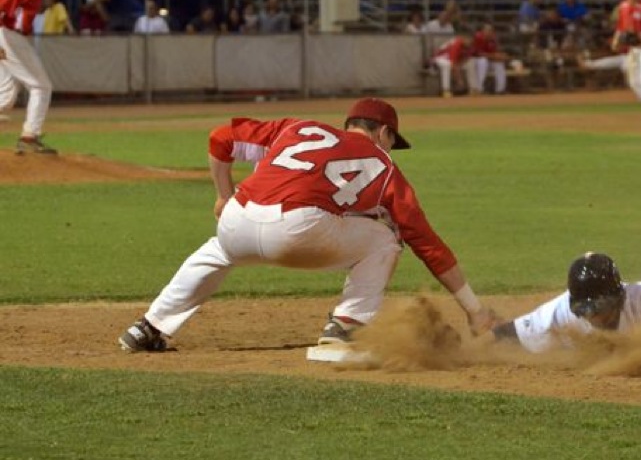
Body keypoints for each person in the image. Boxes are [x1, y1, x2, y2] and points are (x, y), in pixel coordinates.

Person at [118, 97, 498, 352]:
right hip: (298, 230)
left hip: (238, 219)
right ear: (383, 133)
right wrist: (473, 309)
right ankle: (346, 325)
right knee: (387, 237)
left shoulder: (296, 128)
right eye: (391, 141)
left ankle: (149, 327)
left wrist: (222, 195)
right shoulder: (383, 166)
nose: (389, 149)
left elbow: (220, 138)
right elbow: (426, 242)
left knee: (217, 250)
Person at [487, 252, 641, 364]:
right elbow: (505, 334)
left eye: (600, 307)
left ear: (618, 298)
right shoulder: (560, 312)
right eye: (584, 309)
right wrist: (466, 352)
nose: (592, 316)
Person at [0, 0, 57, 153]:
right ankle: (29, 137)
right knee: (41, 86)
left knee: (5, 95)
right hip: (7, 35)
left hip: (11, 34)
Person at [468, 23, 509, 95]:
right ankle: (479, 89)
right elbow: (479, 54)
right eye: (488, 30)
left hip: (488, 59)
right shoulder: (478, 37)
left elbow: (495, 51)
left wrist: (501, 56)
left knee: (499, 64)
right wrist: (493, 56)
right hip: (476, 60)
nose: (489, 32)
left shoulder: (493, 38)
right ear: (483, 31)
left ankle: (500, 89)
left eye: (491, 31)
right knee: (483, 61)